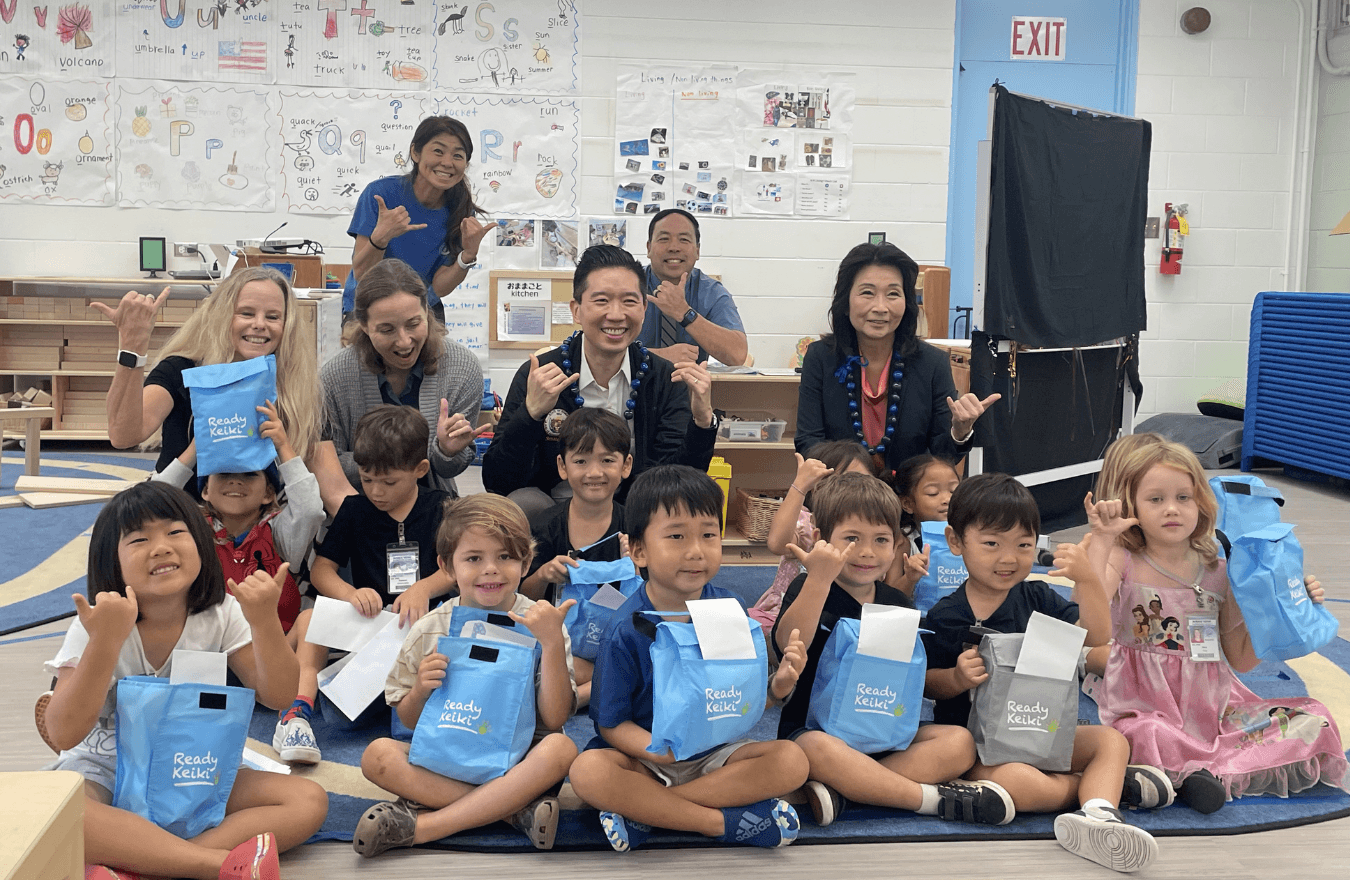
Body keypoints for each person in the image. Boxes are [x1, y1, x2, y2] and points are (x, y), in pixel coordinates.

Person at [42, 481, 327, 880]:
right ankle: (212, 866)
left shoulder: (222, 613)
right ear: (112, 562)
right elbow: (63, 734)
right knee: (59, 811)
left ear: (201, 544)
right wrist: (104, 642)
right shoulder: (97, 623)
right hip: (108, 767)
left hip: (195, 763)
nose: (161, 547)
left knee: (308, 800)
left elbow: (280, 695)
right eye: (139, 539)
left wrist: (264, 622)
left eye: (176, 532)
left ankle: (145, 862)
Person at [1085, 441, 1348, 814]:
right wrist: (1101, 538)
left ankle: (1188, 776)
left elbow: (1240, 659)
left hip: (1216, 713)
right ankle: (1193, 773)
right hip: (1146, 709)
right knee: (1144, 736)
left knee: (1314, 719)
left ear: (1202, 504)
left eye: (1184, 497)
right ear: (1132, 507)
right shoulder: (1124, 559)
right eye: (1155, 499)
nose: (1172, 508)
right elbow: (1090, 612)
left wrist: (1285, 603)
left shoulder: (1221, 569)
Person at [922, 473, 1168, 874]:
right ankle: (1104, 791)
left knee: (1110, 741)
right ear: (955, 542)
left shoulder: (1036, 596)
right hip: (984, 748)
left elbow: (1096, 635)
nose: (1008, 558)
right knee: (1018, 783)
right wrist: (957, 678)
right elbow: (927, 685)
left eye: (1023, 545)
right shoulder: (947, 614)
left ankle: (1100, 815)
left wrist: (1087, 577)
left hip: (1044, 731)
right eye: (991, 544)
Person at [568, 465, 810, 852]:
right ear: (639, 550)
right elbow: (611, 725)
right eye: (677, 536)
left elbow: (739, 704)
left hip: (713, 753)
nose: (696, 550)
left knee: (792, 760)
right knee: (589, 772)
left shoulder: (729, 608)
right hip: (645, 758)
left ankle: (652, 813)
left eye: (709, 534)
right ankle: (720, 822)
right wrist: (658, 751)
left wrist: (775, 690)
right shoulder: (627, 627)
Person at [772, 472, 1016, 828]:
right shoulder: (809, 586)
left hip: (885, 734)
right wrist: (820, 578)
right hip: (817, 733)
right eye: (852, 538)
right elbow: (788, 642)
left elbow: (915, 678)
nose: (868, 552)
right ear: (822, 541)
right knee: (813, 751)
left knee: (959, 742)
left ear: (897, 543)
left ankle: (845, 791)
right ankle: (928, 800)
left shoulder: (897, 602)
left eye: (882, 539)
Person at [354, 495, 579, 856]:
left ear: (526, 562)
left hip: (518, 765)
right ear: (447, 566)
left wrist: (551, 646)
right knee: (377, 756)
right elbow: (408, 719)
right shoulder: (430, 629)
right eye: (474, 558)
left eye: (505, 556)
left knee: (562, 749)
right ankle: (513, 814)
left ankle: (424, 826)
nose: (490, 569)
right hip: (447, 760)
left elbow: (554, 719)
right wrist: (421, 692)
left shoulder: (544, 624)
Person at [482, 245, 719, 521]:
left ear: (644, 308)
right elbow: (499, 483)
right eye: (602, 300)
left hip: (636, 513)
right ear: (577, 310)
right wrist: (530, 415)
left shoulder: (666, 378)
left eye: (629, 301)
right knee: (522, 504)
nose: (616, 315)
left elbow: (679, 478)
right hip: (554, 521)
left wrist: (702, 422)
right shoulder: (540, 374)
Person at [273, 405, 455, 765]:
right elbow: (323, 570)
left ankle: (398, 703)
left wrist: (422, 589)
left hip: (427, 630)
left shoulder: (441, 508)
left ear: (420, 470)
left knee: (361, 711)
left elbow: (457, 568)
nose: (376, 492)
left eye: (389, 482)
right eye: (367, 479)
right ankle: (298, 711)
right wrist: (351, 593)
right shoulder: (355, 511)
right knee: (310, 624)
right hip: (374, 627)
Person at [96, 267, 348, 512]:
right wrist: (132, 347)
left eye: (272, 317)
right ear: (222, 315)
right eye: (246, 313)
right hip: (184, 521)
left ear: (287, 325)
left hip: (263, 534)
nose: (260, 324)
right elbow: (123, 434)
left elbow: (334, 490)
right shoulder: (181, 371)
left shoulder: (298, 388)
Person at [795, 242, 1000, 478]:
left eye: (893, 294)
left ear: (907, 302)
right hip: (840, 496)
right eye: (867, 293)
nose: (881, 307)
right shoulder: (821, 358)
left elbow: (944, 456)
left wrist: (960, 430)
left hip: (907, 500)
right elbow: (808, 442)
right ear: (845, 300)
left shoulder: (932, 363)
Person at [151, 399, 324, 634]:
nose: (235, 481)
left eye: (250, 474)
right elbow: (151, 502)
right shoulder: (193, 531)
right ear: (205, 491)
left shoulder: (281, 534)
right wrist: (195, 449)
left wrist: (283, 445)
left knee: (310, 622)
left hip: (273, 648)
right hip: (210, 648)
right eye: (223, 473)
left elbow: (310, 509)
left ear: (268, 493)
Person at [323, 258, 486, 497]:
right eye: (387, 329)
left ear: (427, 314)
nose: (404, 341)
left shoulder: (462, 369)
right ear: (365, 326)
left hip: (432, 502)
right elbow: (329, 465)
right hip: (358, 503)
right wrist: (403, 463)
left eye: (413, 324)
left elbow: (449, 469)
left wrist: (446, 451)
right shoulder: (335, 376)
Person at [520, 408, 632, 708]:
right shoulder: (545, 525)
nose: (594, 473)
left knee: (642, 658)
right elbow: (519, 599)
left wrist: (634, 570)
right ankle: (595, 688)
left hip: (614, 645)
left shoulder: (635, 530)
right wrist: (543, 574)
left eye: (607, 460)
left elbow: (650, 608)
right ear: (562, 466)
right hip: (555, 642)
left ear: (626, 465)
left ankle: (572, 698)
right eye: (581, 461)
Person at [343, 115, 494, 321]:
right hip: (370, 309)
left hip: (421, 312)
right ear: (415, 153)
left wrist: (468, 255)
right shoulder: (381, 195)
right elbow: (362, 274)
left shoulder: (461, 210)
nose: (447, 163)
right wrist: (380, 239)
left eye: (458, 156)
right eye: (438, 151)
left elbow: (440, 287)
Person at [749, 441, 877, 635]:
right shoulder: (808, 521)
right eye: (840, 482)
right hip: (793, 609)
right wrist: (800, 486)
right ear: (816, 488)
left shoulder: (874, 527)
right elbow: (777, 543)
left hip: (848, 615)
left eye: (860, 481)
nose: (851, 491)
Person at [640, 208, 748, 366]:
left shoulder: (712, 293)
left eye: (684, 240)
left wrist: (684, 312)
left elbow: (737, 356)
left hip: (691, 388)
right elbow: (594, 348)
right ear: (649, 248)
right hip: (629, 386)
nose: (674, 247)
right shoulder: (626, 286)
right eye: (664, 239)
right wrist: (656, 357)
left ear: (697, 250)